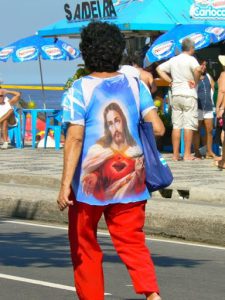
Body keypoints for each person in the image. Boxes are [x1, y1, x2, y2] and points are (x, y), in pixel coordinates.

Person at [57, 21, 165, 300]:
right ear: (118, 51)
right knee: (132, 242)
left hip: (88, 188)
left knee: (84, 245)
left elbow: (75, 139)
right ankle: (152, 295)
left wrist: (64, 185)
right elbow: (158, 128)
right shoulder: (134, 84)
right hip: (133, 182)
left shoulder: (78, 90)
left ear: (86, 52)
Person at [156, 38, 203, 161]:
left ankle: (175, 154)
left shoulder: (173, 59)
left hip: (176, 94)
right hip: (189, 94)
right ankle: (187, 154)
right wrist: (196, 81)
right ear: (191, 48)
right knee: (188, 124)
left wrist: (170, 81)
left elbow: (159, 69)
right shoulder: (191, 59)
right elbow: (198, 70)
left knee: (177, 125)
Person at [193, 59, 217, 159]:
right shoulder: (194, 77)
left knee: (210, 130)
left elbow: (214, 88)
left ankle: (209, 151)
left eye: (205, 65)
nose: (204, 67)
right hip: (197, 106)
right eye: (202, 65)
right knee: (197, 130)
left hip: (208, 106)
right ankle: (197, 152)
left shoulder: (208, 76)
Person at [215, 55, 225, 169]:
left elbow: (222, 91)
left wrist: (218, 107)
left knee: (223, 133)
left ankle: (224, 159)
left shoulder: (223, 75)